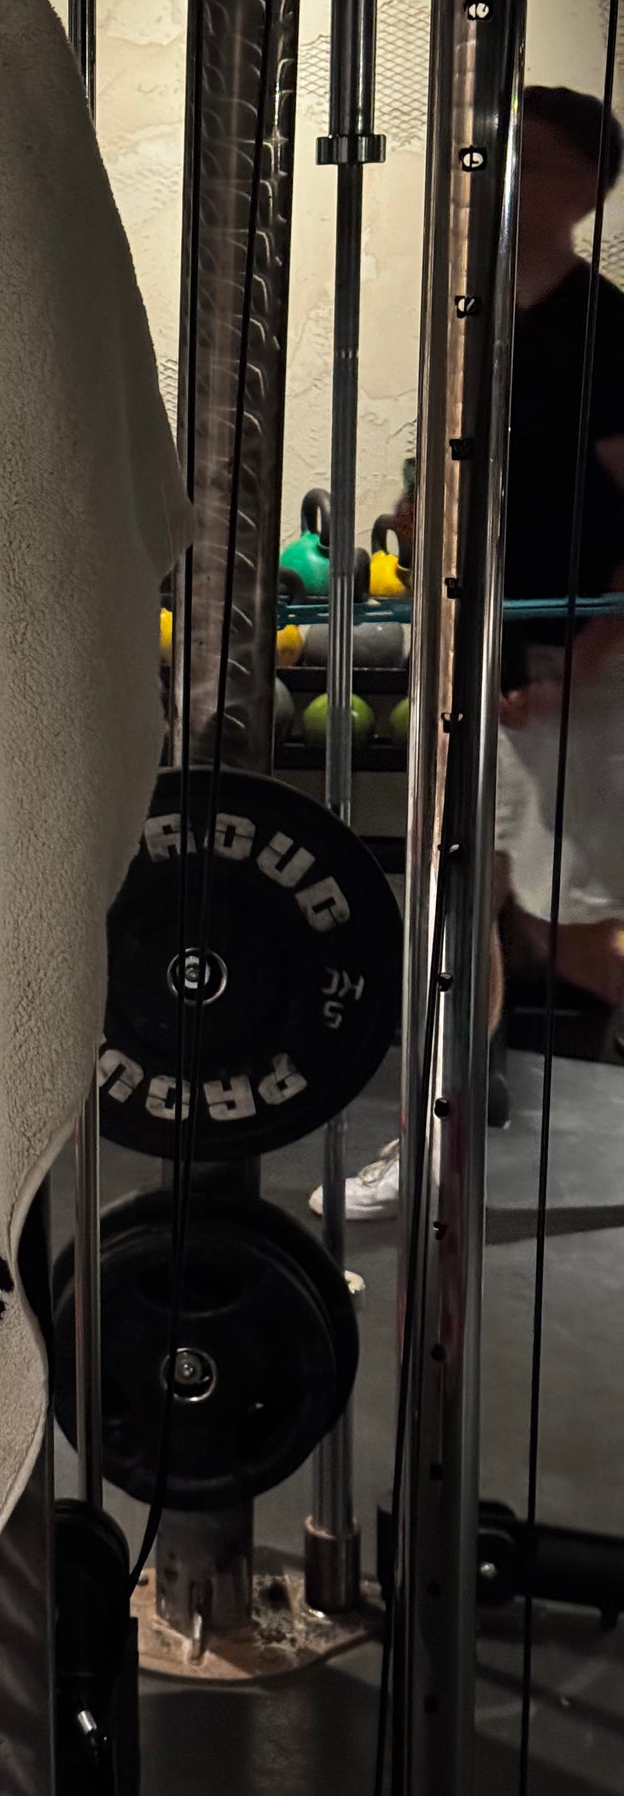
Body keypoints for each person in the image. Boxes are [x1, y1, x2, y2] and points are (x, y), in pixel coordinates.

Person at [315, 84, 624, 1222]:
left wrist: (583, 656)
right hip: (479, 661)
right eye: (490, 154)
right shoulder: (477, 320)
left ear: (585, 189)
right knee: (458, 905)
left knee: (560, 928)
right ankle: (430, 1139)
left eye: (527, 157)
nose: (492, 174)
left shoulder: (605, 330)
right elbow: (462, 476)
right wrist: (415, 516)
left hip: (562, 670)